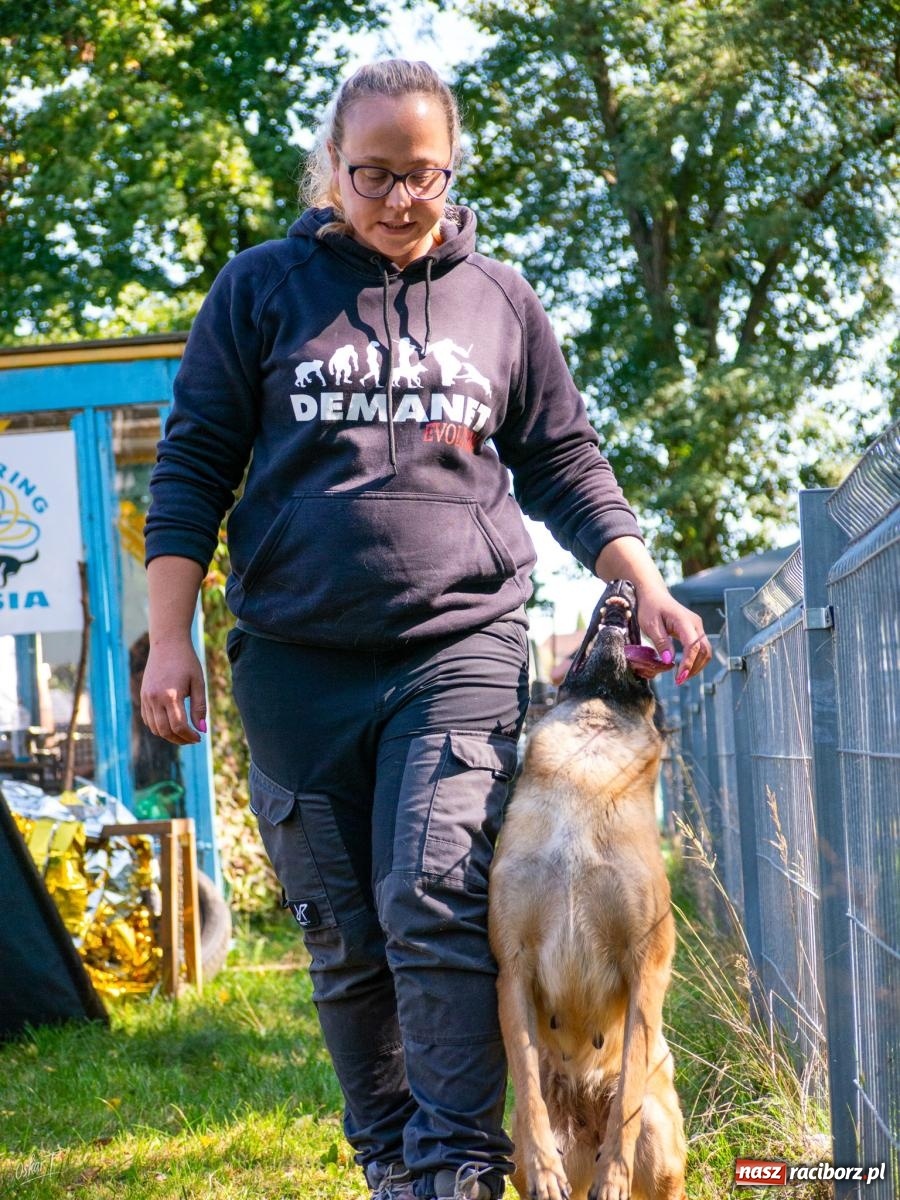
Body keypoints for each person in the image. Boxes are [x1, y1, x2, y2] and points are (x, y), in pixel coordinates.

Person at [140, 58, 711, 1200]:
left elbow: (564, 460)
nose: (402, 199)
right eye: (374, 174)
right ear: (331, 168)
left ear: (453, 168)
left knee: (436, 899)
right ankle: (395, 1164)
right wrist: (169, 636)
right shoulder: (260, 290)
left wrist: (640, 579)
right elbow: (193, 465)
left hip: (459, 645)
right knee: (344, 931)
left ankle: (456, 1166)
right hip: (295, 662)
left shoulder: (497, 299)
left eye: (425, 174)